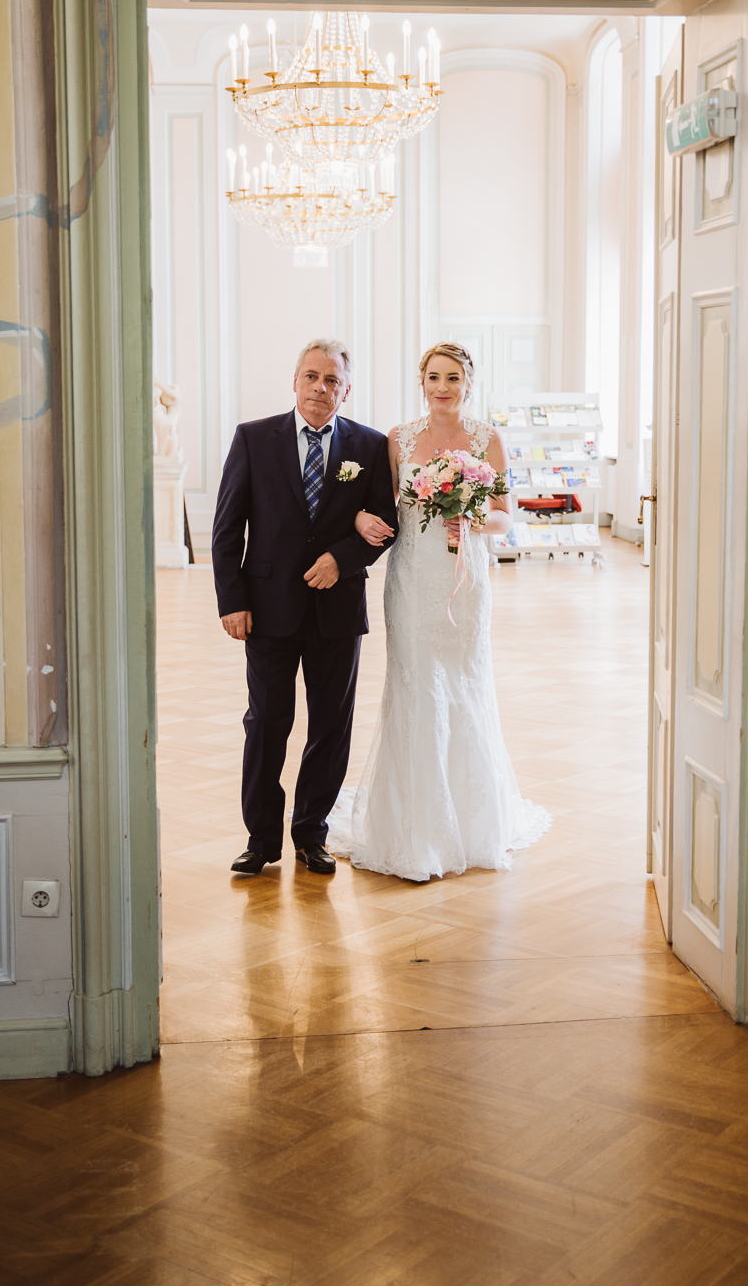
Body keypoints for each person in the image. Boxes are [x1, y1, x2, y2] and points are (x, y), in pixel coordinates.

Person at [327, 341, 550, 882]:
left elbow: (505, 517)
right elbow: (381, 505)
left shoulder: (485, 438)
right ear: (421, 382)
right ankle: (413, 827)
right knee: (416, 686)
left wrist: (473, 516)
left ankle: (469, 821)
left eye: (453, 378)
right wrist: (361, 520)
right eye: (434, 377)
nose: (443, 387)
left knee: (464, 684)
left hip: (465, 579)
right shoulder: (398, 440)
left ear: (468, 385)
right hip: (411, 579)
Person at [211, 338, 398, 877]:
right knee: (267, 722)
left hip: (337, 611)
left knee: (331, 726)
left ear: (346, 388)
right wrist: (232, 600)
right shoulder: (253, 439)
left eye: (332, 380)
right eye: (312, 377)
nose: (321, 388)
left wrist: (344, 555)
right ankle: (261, 837)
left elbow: (385, 524)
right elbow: (226, 529)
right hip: (266, 609)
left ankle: (311, 834)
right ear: (294, 382)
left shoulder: (369, 444)